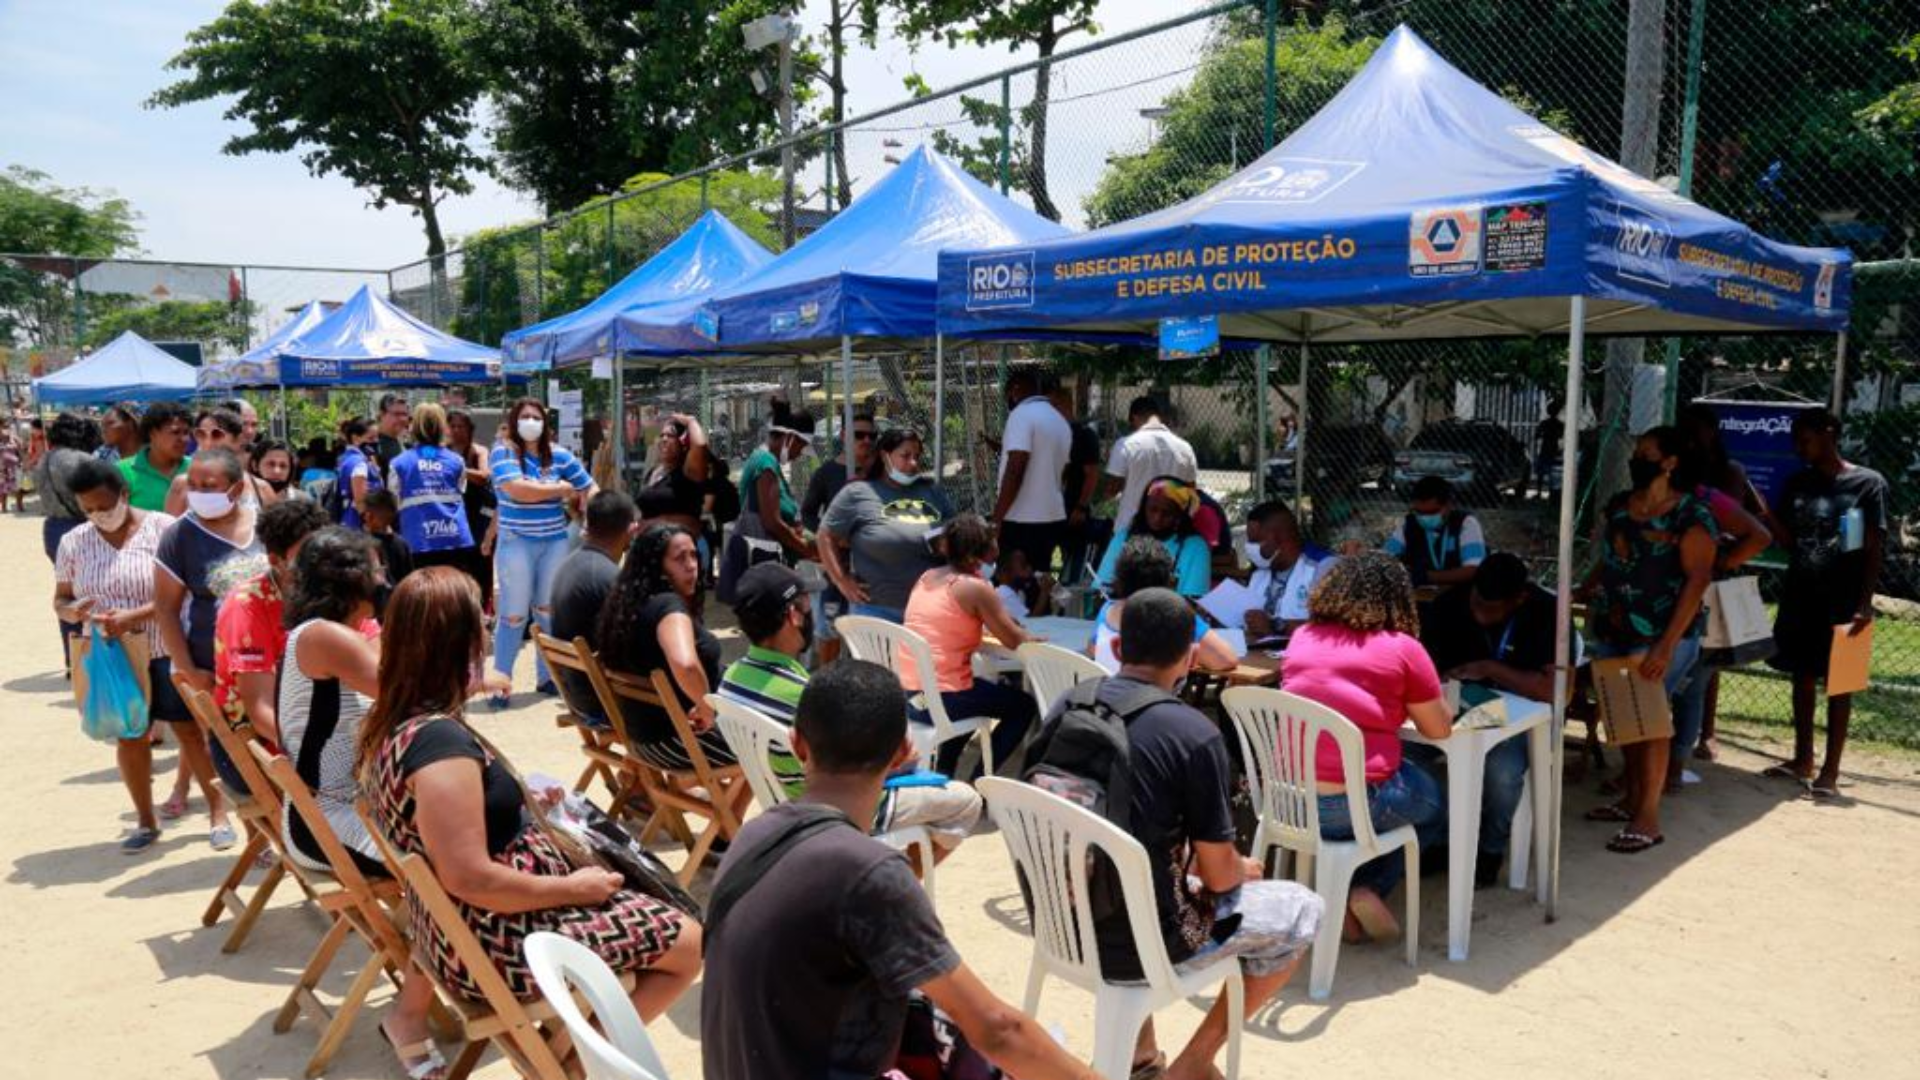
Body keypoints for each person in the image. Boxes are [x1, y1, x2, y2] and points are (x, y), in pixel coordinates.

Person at [700, 659, 1097, 1080]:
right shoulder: (867, 873)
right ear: (903, 754)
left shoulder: (753, 834)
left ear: (799, 746)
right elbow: (998, 1030)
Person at [357, 568, 701, 1023]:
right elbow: (470, 879)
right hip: (501, 943)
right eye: (479, 619)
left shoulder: (397, 722)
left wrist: (519, 797)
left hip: (465, 929)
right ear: (457, 643)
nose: (486, 627)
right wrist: (573, 889)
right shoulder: (437, 745)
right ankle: (580, 1068)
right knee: (690, 941)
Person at [1070, 589, 1322, 1080]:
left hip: (1063, 917)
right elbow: (1221, 878)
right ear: (1190, 658)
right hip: (1143, 939)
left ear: (1118, 650)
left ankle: (1141, 1057)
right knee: (1300, 910)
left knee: (1139, 872)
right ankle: (1190, 1067)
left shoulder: (1068, 703)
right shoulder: (1191, 732)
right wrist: (1240, 869)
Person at [719, 562, 983, 856]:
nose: (812, 613)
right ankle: (889, 887)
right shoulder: (807, 695)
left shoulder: (730, 680)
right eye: (807, 605)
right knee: (966, 802)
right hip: (844, 809)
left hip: (783, 802)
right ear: (794, 615)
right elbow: (862, 766)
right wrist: (901, 759)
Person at [1282, 552, 1451, 938]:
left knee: (1386, 799)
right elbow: (1438, 729)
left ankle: (1344, 892)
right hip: (1352, 805)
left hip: (1288, 801)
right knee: (1433, 806)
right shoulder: (1403, 647)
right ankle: (1367, 888)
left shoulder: (1302, 636)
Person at [1580, 427, 1715, 853]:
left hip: (1660, 636)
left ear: (1670, 462)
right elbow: (1610, 562)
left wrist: (1666, 645)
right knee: (1626, 721)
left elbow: (1698, 579)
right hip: (1615, 630)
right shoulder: (1625, 510)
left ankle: (1648, 819)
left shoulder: (1691, 515)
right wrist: (1588, 594)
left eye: (1646, 453)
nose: (1636, 459)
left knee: (1652, 723)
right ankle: (1631, 799)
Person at [52, 459, 181, 853]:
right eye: (88, 509)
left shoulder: (163, 529)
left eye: (104, 506)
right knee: (130, 735)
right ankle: (145, 819)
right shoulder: (74, 541)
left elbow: (180, 592)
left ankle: (217, 813)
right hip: (113, 655)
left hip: (166, 647)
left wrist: (135, 616)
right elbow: (59, 599)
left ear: (124, 494)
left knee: (191, 732)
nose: (97, 516)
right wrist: (72, 611)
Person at [1764, 408, 1889, 799]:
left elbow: (1872, 547)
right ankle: (1803, 758)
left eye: (1805, 439)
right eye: (1795, 440)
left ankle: (1830, 772)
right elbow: (1787, 541)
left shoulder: (1867, 484)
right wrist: (1763, 515)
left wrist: (1864, 603)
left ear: (1829, 433)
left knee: (1841, 684)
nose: (1798, 447)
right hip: (1801, 596)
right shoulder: (1798, 482)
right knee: (1801, 676)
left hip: (1846, 600)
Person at [1415, 552, 1561, 884]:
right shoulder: (1449, 604)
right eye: (1476, 603)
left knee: (1503, 771)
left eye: (1491, 610)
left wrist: (1490, 668)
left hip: (1517, 715)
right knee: (1407, 754)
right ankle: (1442, 837)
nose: (1479, 616)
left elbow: (1552, 691)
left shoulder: (1546, 612)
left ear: (1520, 598)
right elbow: (1426, 669)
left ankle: (1489, 848)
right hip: (1458, 709)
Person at [154, 446, 266, 851]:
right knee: (222, 746)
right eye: (194, 484)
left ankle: (268, 829)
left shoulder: (264, 524)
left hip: (267, 665)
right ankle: (222, 814)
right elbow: (166, 609)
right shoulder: (180, 535)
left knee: (267, 746)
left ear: (235, 489)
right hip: (209, 664)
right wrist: (187, 669)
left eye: (209, 485)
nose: (198, 492)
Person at [900, 513, 1036, 774]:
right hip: (942, 698)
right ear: (980, 552)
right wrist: (1030, 637)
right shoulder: (974, 587)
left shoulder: (928, 576)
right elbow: (1013, 639)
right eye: (994, 542)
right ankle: (980, 783)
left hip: (911, 693)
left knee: (977, 695)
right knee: (1023, 707)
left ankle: (945, 770)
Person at [1678, 402, 1775, 763]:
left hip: (1714, 575)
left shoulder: (1727, 472)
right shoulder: (1678, 469)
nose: (1690, 436)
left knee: (1709, 655)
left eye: (1696, 429)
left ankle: (1707, 731)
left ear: (1711, 432)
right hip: (1682, 570)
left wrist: (1725, 558)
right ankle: (1686, 734)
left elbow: (1746, 516)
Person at [211, 499, 330, 793]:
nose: (323, 562)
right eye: (309, 555)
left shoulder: (332, 591)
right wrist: (325, 752)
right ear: (276, 560)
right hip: (254, 743)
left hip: (321, 725)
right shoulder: (246, 607)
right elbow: (260, 709)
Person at [599, 523, 735, 771]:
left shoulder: (630, 605)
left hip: (642, 740)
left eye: (694, 555)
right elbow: (685, 664)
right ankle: (732, 811)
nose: (692, 565)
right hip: (678, 740)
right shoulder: (667, 608)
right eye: (679, 558)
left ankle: (724, 809)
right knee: (771, 745)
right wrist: (706, 706)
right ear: (657, 565)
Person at [490, 397, 596, 705]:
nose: (530, 422)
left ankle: (548, 677)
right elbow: (518, 491)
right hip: (516, 543)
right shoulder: (503, 451)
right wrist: (561, 489)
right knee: (513, 614)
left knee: (548, 611)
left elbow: (589, 486)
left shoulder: (560, 456)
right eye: (524, 416)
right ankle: (501, 682)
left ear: (545, 423)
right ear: (513, 420)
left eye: (536, 417)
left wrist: (590, 512)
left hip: (553, 542)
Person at [819, 426, 953, 624]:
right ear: (885, 456)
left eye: (917, 456)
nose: (913, 463)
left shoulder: (932, 492)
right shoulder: (858, 493)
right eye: (905, 456)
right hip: (877, 610)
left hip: (927, 609)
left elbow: (954, 533)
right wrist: (841, 580)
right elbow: (825, 536)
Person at [547, 491, 638, 725]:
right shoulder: (607, 577)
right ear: (631, 530)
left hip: (577, 696)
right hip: (604, 703)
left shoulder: (570, 564)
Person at [1091, 536, 1239, 676]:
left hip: (1105, 695)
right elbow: (1226, 660)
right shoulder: (1175, 615)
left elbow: (1092, 650)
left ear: (1119, 578)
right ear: (1168, 580)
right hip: (1152, 700)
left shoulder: (1107, 610)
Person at [719, 409, 816, 604]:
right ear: (789, 438)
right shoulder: (766, 464)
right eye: (801, 446)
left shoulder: (767, 463)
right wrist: (809, 551)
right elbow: (772, 523)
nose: (799, 455)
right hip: (762, 567)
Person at [801, 412, 876, 664]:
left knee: (869, 632)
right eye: (859, 435)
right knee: (830, 627)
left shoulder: (880, 475)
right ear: (844, 436)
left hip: (872, 568)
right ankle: (827, 682)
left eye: (871, 435)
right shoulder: (827, 473)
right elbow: (808, 513)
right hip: (837, 567)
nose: (866, 440)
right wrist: (830, 536)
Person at [387, 403, 480, 590]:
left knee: (421, 596)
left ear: (414, 427)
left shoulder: (399, 463)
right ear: (442, 427)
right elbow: (461, 489)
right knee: (454, 593)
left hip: (417, 539)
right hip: (455, 538)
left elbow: (393, 501)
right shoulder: (457, 460)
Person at [991, 369, 1073, 578]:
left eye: (1007, 394)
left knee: (1013, 592)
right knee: (1045, 586)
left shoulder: (1021, 415)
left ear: (1015, 390)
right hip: (1054, 518)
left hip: (1021, 521)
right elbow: (1063, 473)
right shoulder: (1060, 421)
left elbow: (1017, 466)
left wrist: (997, 519)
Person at [39, 413, 99, 662]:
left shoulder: (44, 459)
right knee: (88, 593)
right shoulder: (82, 460)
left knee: (66, 597)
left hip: (52, 528)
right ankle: (86, 656)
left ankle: (71, 657)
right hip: (80, 527)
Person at [1094, 475, 1212, 599]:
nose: (1157, 518)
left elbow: (1193, 601)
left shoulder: (1195, 548)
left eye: (1167, 513)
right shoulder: (1123, 537)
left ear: (1179, 515)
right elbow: (1102, 588)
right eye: (1152, 510)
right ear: (1143, 508)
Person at [1241, 499, 1336, 645]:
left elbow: (1332, 629)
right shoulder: (1259, 574)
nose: (1249, 548)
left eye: (1256, 541)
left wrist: (1276, 626)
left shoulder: (1323, 566)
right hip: (1260, 656)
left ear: (1279, 537)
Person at [1102, 395, 1198, 528]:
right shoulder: (1185, 448)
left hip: (1132, 529)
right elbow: (1191, 492)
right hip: (1171, 530)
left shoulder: (1126, 444)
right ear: (1159, 416)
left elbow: (1110, 490)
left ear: (1134, 418)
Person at [166, 408, 274, 515]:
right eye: (201, 434)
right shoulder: (182, 485)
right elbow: (171, 529)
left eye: (216, 434)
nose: (208, 442)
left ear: (238, 439)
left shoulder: (261, 489)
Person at [1384, 476, 1485, 588]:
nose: (1424, 517)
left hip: (1457, 595)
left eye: (1432, 512)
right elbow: (1385, 557)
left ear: (1448, 505)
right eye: (1419, 512)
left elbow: (1473, 570)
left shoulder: (1466, 523)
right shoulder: (1408, 524)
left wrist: (1426, 577)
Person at [1052, 382, 1104, 586]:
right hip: (1054, 511)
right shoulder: (1053, 433)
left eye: (1053, 405)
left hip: (1073, 509)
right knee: (1055, 560)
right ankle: (1053, 592)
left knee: (1075, 561)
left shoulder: (1083, 434)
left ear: (1064, 405)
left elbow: (1091, 474)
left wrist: (1081, 507)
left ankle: (1073, 595)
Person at [446, 407, 497, 611]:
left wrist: (456, 468)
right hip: (451, 513)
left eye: (462, 426)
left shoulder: (478, 451)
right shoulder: (444, 451)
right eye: (453, 426)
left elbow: (484, 475)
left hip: (477, 514)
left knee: (481, 562)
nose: (457, 430)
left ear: (470, 428)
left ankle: (483, 607)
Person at [635, 412, 711, 537]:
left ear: (683, 445)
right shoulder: (654, 472)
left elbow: (700, 445)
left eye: (671, 436)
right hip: (650, 546)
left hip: (679, 545)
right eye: (662, 435)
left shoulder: (688, 472)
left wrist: (690, 421)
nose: (664, 439)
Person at [118, 401, 191, 513]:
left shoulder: (196, 469)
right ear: (152, 433)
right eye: (175, 432)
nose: (184, 439)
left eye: (186, 432)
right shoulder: (122, 471)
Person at [359, 489, 414, 603]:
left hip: (375, 606)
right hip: (399, 603)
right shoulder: (402, 544)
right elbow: (409, 578)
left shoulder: (362, 544)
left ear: (369, 516)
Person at [335, 417, 384, 531]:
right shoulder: (359, 463)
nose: (376, 442)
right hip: (361, 526)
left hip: (349, 522)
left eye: (377, 437)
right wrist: (371, 526)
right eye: (371, 438)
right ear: (355, 438)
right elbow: (360, 501)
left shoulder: (347, 458)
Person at [374, 392, 411, 471]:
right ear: (382, 415)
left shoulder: (402, 442)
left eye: (405, 414)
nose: (403, 419)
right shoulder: (373, 444)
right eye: (397, 414)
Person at [0, 421, 22, 514]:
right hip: (2, 466)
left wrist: (15, 438)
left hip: (14, 464)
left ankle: (20, 506)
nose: (5, 429)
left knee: (18, 486)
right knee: (2, 487)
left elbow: (21, 447)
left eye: (7, 427)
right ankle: (4, 508)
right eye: (4, 427)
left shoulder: (13, 437)